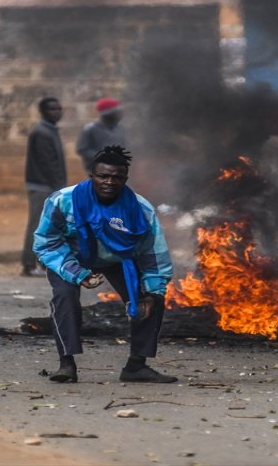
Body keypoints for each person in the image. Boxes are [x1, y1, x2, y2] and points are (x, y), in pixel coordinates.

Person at [34, 146, 176, 384]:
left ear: (125, 179)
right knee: (65, 296)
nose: (110, 182)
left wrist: (152, 293)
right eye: (103, 176)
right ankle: (66, 364)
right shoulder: (62, 200)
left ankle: (136, 366)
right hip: (71, 258)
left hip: (118, 259)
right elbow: (46, 243)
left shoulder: (141, 209)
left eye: (117, 177)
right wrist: (78, 274)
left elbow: (153, 255)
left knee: (151, 297)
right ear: (92, 176)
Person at [23, 97, 67, 276]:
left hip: (49, 186)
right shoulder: (42, 132)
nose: (57, 112)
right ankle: (29, 264)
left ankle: (41, 264)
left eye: (58, 108)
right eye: (52, 109)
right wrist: (60, 190)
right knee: (37, 226)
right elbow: (48, 164)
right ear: (43, 111)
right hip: (43, 187)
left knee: (48, 227)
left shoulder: (50, 130)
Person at [77, 98, 128, 174]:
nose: (120, 116)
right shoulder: (90, 129)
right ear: (107, 114)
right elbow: (82, 150)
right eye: (117, 113)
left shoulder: (120, 129)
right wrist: (102, 156)